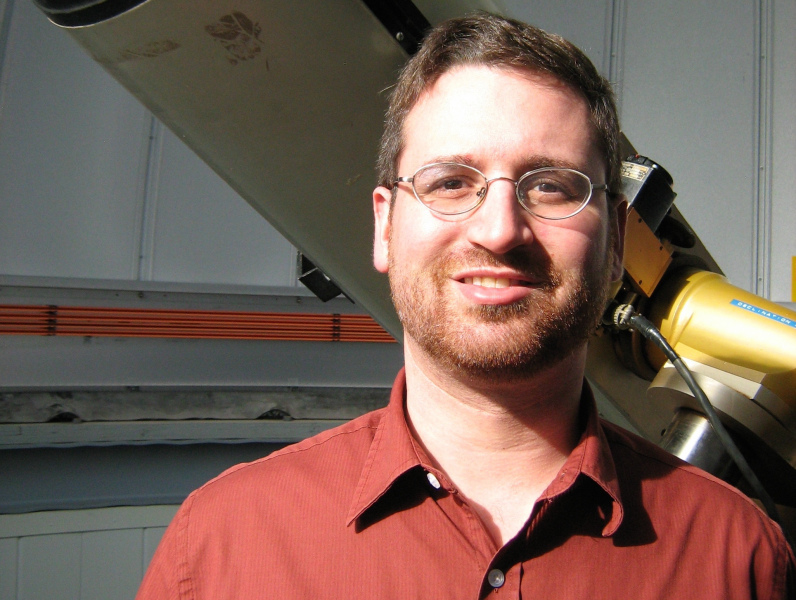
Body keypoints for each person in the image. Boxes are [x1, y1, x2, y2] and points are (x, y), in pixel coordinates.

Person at [136, 12, 794, 599]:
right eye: (451, 182)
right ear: (385, 227)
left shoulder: (739, 558)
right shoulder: (221, 547)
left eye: (554, 187)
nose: (500, 229)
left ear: (619, 239)